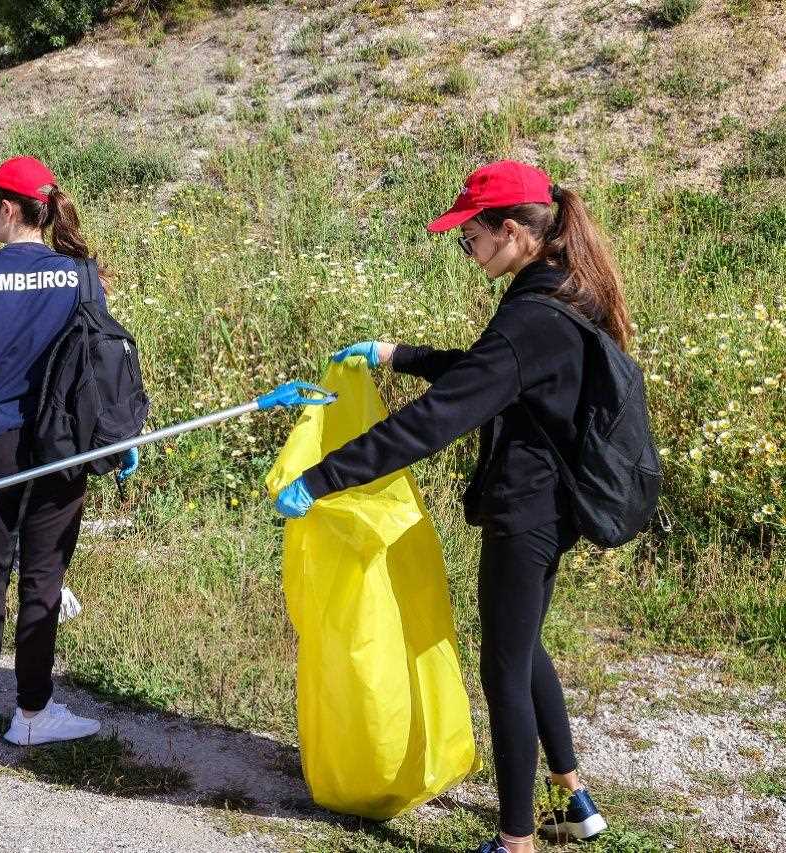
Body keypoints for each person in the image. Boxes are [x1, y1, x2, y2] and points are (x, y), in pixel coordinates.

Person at [273, 161, 623, 853]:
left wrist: (322, 478)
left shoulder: (532, 310)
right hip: (551, 502)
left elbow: (436, 420)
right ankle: (573, 796)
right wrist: (397, 353)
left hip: (528, 509)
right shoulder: (560, 286)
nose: (469, 251)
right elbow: (490, 372)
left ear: (515, 231)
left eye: (472, 237)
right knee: (524, 648)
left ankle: (515, 839)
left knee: (502, 666)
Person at [0, 156, 137, 746]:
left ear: (8, 209)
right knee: (44, 575)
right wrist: (116, 437)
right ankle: (34, 714)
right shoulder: (78, 273)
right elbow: (102, 360)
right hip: (61, 443)